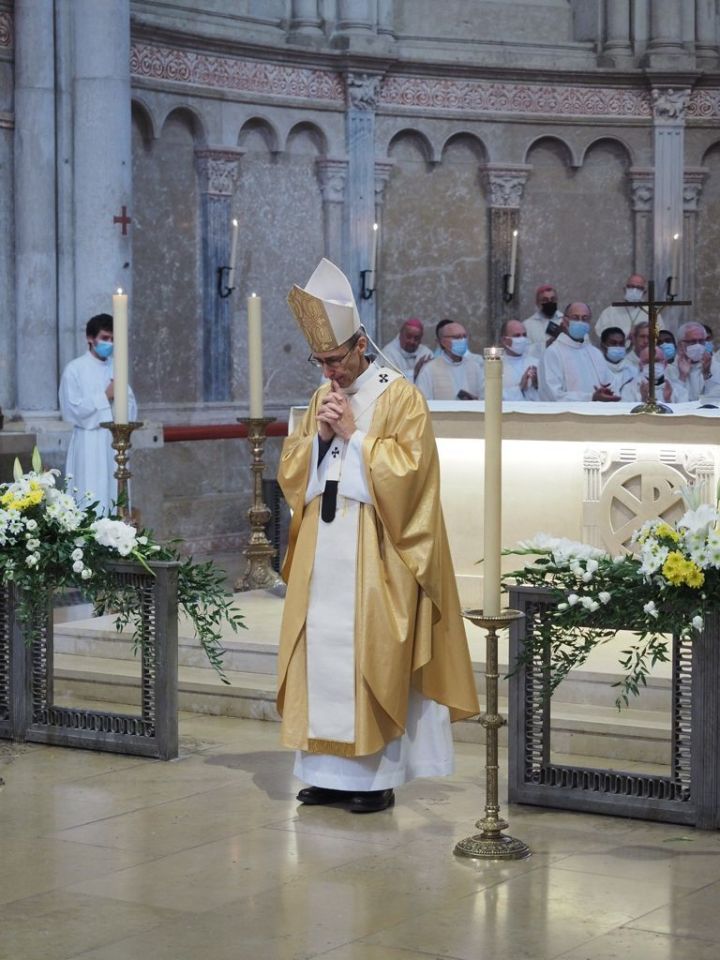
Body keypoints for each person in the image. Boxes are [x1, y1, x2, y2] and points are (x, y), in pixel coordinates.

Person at [278, 259, 479, 814]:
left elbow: (413, 474)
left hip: (376, 550)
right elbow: (293, 473)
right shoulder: (321, 398)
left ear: (360, 344)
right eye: (320, 362)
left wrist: (355, 436)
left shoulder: (401, 397)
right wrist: (317, 441)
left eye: (336, 360)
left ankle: (372, 781)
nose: (329, 373)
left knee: (372, 655)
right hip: (325, 549)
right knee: (321, 651)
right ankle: (324, 772)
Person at [59, 313, 137, 514]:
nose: (109, 344)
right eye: (104, 338)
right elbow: (72, 410)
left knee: (114, 494)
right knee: (90, 491)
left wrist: (121, 402)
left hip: (113, 443)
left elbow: (131, 406)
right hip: (88, 442)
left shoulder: (117, 367)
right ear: (90, 339)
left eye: (113, 339)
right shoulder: (74, 369)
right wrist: (105, 396)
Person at [538, 302, 619, 402]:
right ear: (565, 321)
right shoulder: (552, 353)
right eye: (575, 318)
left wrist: (609, 393)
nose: (580, 322)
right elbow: (552, 395)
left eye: (585, 319)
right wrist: (591, 398)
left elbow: (611, 384)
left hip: (597, 414)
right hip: (568, 416)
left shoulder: (595, 353)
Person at [415, 319, 484, 400]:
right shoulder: (429, 369)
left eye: (464, 336)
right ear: (443, 342)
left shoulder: (475, 367)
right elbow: (422, 402)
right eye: (457, 337)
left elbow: (485, 398)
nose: (462, 340)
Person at [594, 273, 660, 341]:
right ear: (625, 289)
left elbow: (659, 333)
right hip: (618, 349)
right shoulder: (610, 311)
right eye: (631, 286)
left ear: (644, 292)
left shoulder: (651, 312)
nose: (634, 290)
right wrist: (626, 333)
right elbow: (600, 331)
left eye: (639, 288)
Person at [620, 345, 688, 404]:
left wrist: (668, 400)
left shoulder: (679, 390)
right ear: (640, 365)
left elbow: (683, 417)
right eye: (647, 361)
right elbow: (627, 417)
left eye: (657, 361)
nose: (652, 365)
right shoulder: (628, 389)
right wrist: (643, 399)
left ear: (665, 364)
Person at [673, 321, 720, 401]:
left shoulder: (715, 367)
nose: (697, 345)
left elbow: (715, 399)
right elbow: (672, 402)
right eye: (692, 341)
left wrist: (707, 373)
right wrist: (682, 377)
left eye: (701, 341)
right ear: (680, 344)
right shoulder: (670, 369)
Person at [381, 318, 433, 383]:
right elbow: (387, 381)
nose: (412, 341)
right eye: (408, 337)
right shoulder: (388, 354)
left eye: (416, 338)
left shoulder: (426, 353)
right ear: (400, 335)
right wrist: (415, 372)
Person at [499, 319, 538, 400]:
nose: (522, 339)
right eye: (517, 336)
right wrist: (519, 387)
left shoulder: (536, 363)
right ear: (504, 340)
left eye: (524, 335)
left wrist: (537, 385)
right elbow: (491, 397)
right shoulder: (494, 365)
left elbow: (548, 397)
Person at [523, 284, 562, 356]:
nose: (549, 302)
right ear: (537, 303)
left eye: (552, 299)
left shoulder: (565, 321)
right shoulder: (527, 325)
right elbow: (524, 350)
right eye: (545, 300)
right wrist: (546, 344)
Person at [600, 326, 635, 395]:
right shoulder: (595, 369)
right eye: (613, 343)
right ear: (603, 345)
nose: (618, 347)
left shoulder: (632, 371)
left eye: (621, 343)